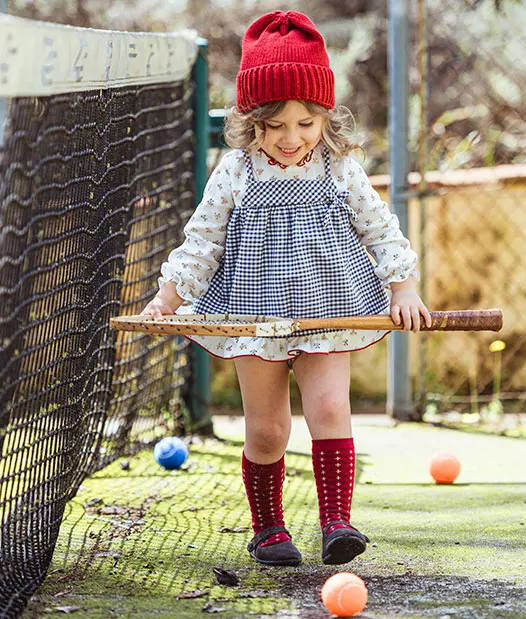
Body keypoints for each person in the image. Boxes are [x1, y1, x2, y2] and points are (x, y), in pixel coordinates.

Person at [141, 9, 430, 567]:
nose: (291, 139)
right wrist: (167, 299)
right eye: (275, 126)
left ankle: (337, 523)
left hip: (328, 311)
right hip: (255, 319)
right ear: (253, 122)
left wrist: (405, 287)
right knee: (269, 431)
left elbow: (379, 226)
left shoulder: (337, 166)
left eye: (305, 123)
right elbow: (202, 242)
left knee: (328, 410)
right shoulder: (235, 171)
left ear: (325, 116)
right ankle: (268, 529)